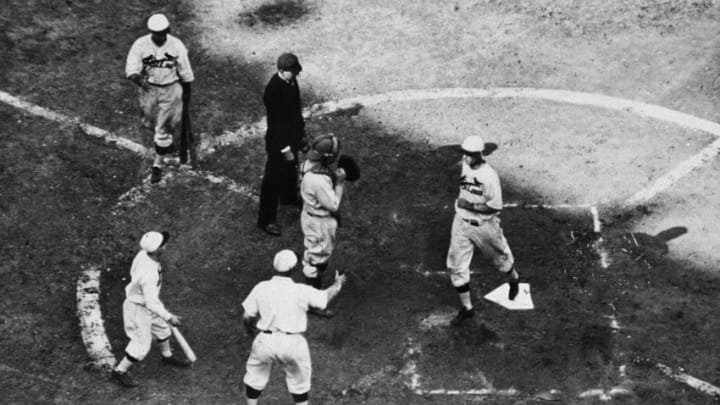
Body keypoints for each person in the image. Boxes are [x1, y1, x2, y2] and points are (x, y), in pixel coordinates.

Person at [241, 249, 346, 405]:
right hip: (292, 343)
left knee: (255, 376)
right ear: (293, 269)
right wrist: (338, 283)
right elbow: (325, 298)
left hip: (265, 340)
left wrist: (251, 331)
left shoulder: (261, 287)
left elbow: (247, 316)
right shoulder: (300, 290)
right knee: (299, 383)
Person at [446, 135, 520, 326]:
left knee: (501, 260)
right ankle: (467, 308)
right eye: (465, 154)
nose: (466, 158)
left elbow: (495, 207)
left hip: (484, 226)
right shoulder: (466, 164)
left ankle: (513, 279)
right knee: (456, 266)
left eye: (470, 155)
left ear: (479, 154)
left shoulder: (489, 177)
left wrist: (469, 204)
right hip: (461, 223)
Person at [112, 231, 191, 388]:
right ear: (158, 250)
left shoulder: (143, 254)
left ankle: (166, 356)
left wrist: (163, 316)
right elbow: (151, 303)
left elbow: (151, 301)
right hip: (138, 309)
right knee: (141, 343)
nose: (166, 245)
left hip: (146, 303)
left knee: (162, 330)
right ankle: (119, 371)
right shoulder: (149, 275)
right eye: (164, 244)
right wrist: (169, 317)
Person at [125, 13, 195, 183]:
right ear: (151, 32)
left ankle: (157, 165)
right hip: (148, 89)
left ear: (167, 30)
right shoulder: (141, 44)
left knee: (162, 131)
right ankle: (165, 142)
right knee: (150, 123)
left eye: (162, 32)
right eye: (156, 32)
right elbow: (131, 69)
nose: (159, 36)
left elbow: (185, 71)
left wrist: (186, 92)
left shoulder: (176, 45)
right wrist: (139, 80)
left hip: (171, 89)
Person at [257, 52, 308, 236]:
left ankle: (288, 197)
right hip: (278, 142)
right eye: (293, 72)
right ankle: (266, 220)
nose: (296, 75)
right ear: (282, 70)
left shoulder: (291, 82)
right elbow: (276, 124)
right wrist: (285, 148)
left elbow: (296, 109)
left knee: (291, 169)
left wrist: (301, 132)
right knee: (272, 180)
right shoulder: (273, 90)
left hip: (292, 136)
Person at [298, 134, 346, 317]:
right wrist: (340, 184)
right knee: (315, 260)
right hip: (319, 222)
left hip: (312, 217)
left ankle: (316, 271)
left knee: (318, 255)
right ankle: (314, 304)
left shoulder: (308, 165)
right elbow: (333, 205)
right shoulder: (317, 180)